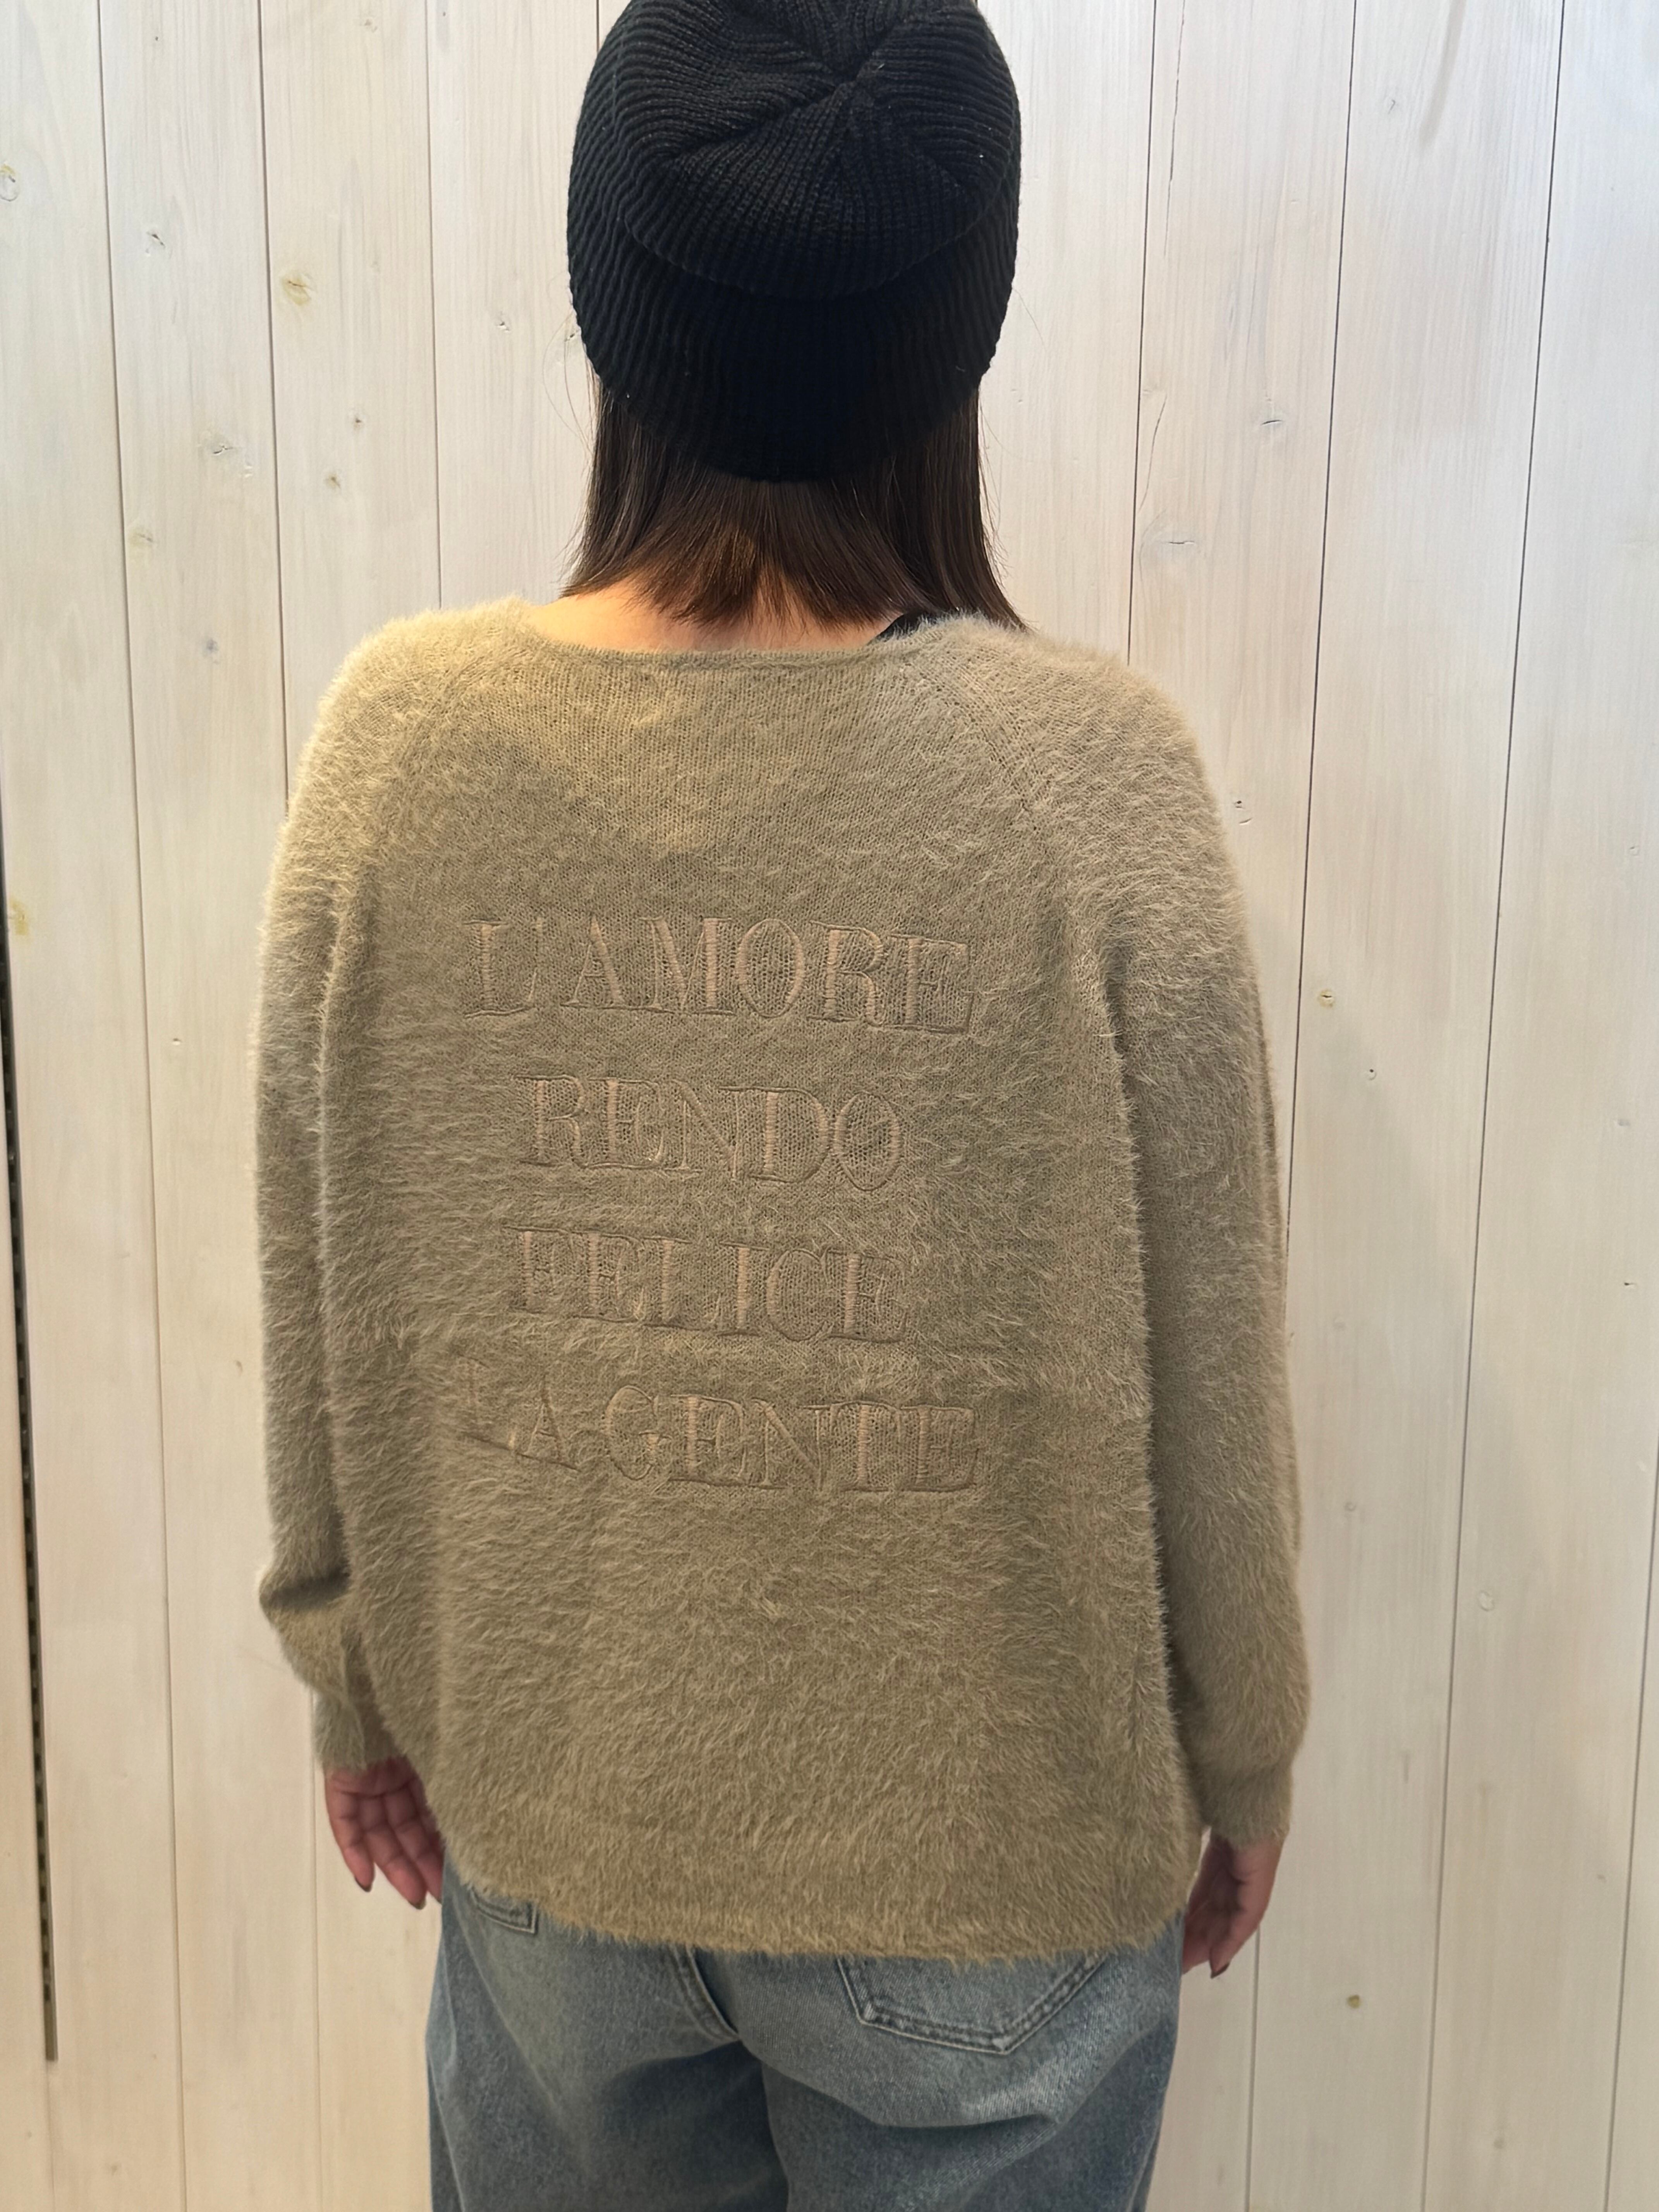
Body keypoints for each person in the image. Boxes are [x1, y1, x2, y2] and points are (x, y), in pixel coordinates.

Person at [251, 2, 1313, 2205]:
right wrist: (1247, 1744)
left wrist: (352, 1678)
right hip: (994, 1864)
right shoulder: (1097, 785)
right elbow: (1213, 1353)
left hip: (552, 1824)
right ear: (959, 323)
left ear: (610, 288)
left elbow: (320, 1259)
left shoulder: (396, 748)